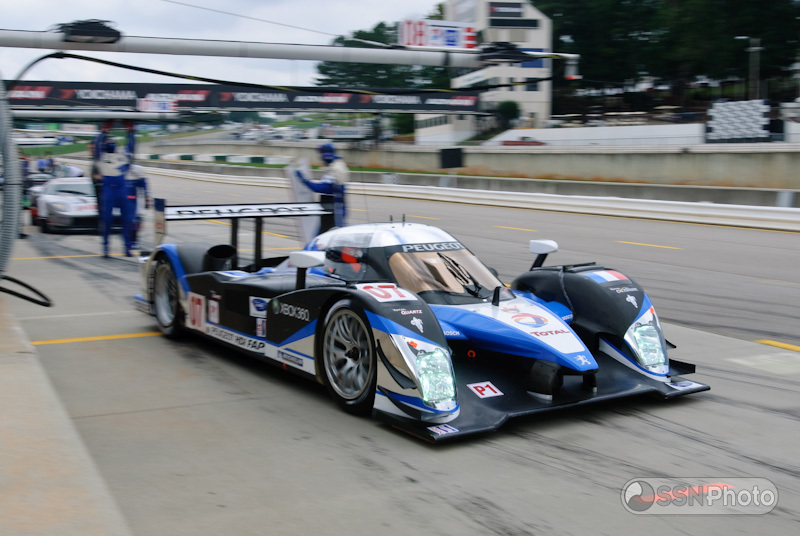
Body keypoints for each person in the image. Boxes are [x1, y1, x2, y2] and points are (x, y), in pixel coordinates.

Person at [94, 120, 136, 257]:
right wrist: (103, 132)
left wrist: (131, 132)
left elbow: (131, 147)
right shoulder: (101, 156)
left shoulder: (122, 154)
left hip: (122, 189)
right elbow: (96, 145)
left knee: (127, 220)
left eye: (112, 140)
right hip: (109, 190)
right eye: (108, 140)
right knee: (106, 220)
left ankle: (127, 247)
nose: (111, 142)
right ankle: (106, 247)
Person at [296, 143, 350, 228]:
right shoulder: (335, 166)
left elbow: (320, 188)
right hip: (331, 209)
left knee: (330, 232)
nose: (320, 157)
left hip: (334, 210)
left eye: (322, 154)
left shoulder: (336, 169)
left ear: (327, 155)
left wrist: (304, 180)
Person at [125, 165, 150, 250]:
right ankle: (130, 241)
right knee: (129, 222)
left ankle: (134, 241)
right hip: (127, 200)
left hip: (137, 201)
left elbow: (145, 187)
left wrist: (147, 200)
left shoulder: (138, 170)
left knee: (136, 222)